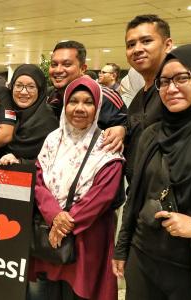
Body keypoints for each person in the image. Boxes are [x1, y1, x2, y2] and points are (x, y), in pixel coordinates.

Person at [113, 44, 191, 299]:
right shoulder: (153, 134)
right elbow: (136, 196)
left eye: (182, 78)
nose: (171, 88)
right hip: (144, 258)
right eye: (164, 81)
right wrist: (122, 249)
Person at [29, 76, 124, 300]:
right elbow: (38, 179)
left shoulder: (107, 144)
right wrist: (54, 216)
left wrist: (63, 225)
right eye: (73, 101)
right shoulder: (53, 139)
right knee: (47, 290)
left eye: (88, 102)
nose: (79, 108)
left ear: (98, 106)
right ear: (65, 105)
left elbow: (103, 194)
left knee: (80, 291)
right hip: (49, 231)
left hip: (86, 237)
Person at [47, 41, 127, 151]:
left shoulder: (105, 97)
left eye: (67, 64)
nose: (58, 70)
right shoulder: (52, 96)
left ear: (83, 68)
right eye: (54, 64)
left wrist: (123, 129)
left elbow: (128, 127)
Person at [122, 14, 173, 183]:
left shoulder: (177, 93)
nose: (137, 49)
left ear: (167, 45)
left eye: (146, 41)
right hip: (139, 195)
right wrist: (122, 130)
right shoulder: (139, 96)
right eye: (131, 44)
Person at [0, 64, 58, 166]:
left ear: (40, 90)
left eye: (31, 87)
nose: (24, 92)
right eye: (19, 85)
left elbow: (52, 161)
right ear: (11, 87)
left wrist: (20, 162)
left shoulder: (48, 120)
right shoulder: (2, 114)